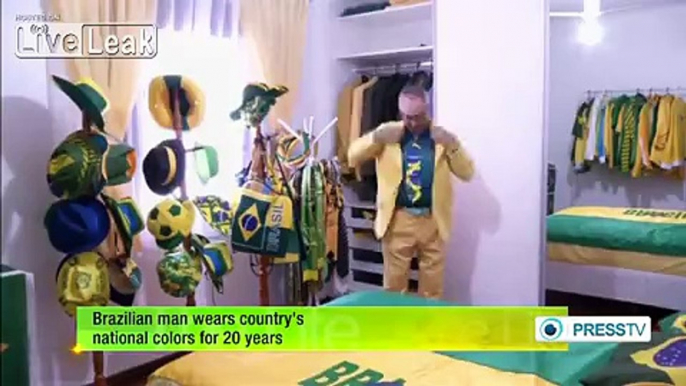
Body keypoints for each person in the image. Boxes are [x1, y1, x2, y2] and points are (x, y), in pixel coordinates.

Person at [347, 85, 475, 299]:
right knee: (394, 289)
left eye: (419, 116)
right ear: (400, 113)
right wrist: (376, 137)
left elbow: (467, 173)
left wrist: (453, 145)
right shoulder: (389, 134)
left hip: (433, 220)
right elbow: (352, 157)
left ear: (428, 110)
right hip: (398, 219)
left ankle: (429, 329)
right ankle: (397, 329)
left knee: (432, 290)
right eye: (408, 117)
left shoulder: (441, 138)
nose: (414, 122)